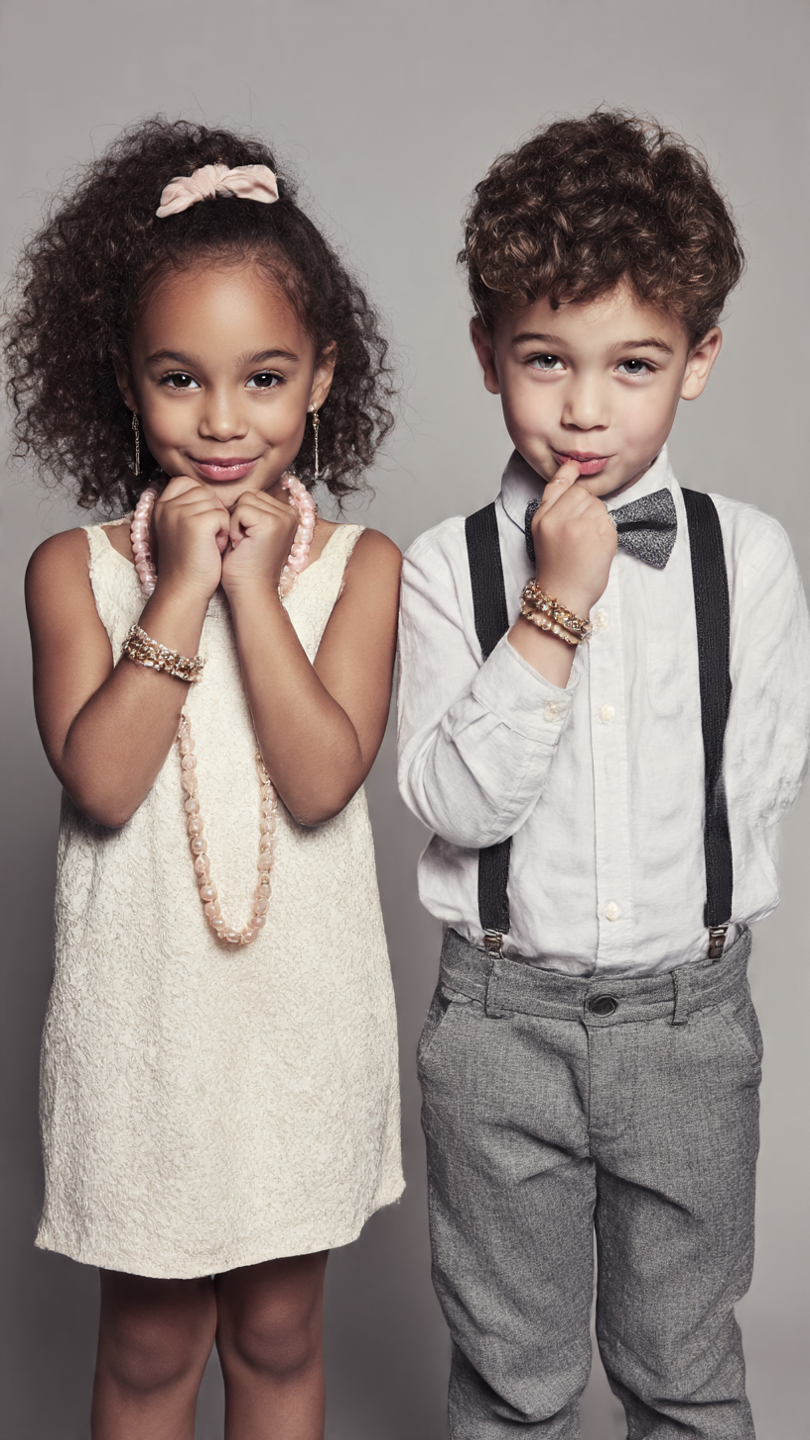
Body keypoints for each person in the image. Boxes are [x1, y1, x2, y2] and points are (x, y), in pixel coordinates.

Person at [397, 110, 810, 1438]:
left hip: (690, 1025)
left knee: (684, 1373)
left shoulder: (746, 558)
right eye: (544, 361)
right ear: (486, 356)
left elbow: (757, 786)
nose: (583, 407)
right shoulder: (439, 567)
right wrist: (552, 612)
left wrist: (682, 956)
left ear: (696, 360)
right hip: (497, 1029)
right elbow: (456, 805)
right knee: (512, 1382)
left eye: (631, 363)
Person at [7, 117, 404, 1440]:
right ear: (125, 383)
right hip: (151, 1035)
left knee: (281, 1331)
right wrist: (182, 583)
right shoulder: (77, 573)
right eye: (181, 380)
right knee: (149, 1346)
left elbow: (319, 778)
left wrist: (251, 584)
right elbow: (106, 785)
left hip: (295, 1029)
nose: (224, 421)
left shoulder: (363, 568)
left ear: (320, 378)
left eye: (262, 379)